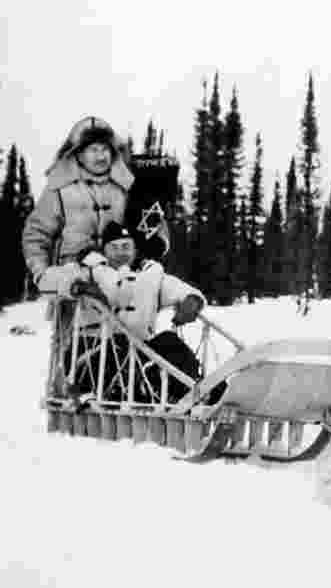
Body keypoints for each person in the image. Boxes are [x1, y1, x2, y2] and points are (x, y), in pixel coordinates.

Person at [79, 221, 206, 402]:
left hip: (139, 349)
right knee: (124, 352)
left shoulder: (149, 274)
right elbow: (53, 280)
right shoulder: (89, 271)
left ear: (135, 249)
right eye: (114, 247)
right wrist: (75, 286)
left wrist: (192, 300)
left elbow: (177, 288)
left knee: (170, 343)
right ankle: (161, 391)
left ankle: (200, 390)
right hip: (97, 353)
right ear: (104, 251)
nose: (121, 253)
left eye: (126, 246)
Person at [23, 116, 134, 296]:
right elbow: (37, 234)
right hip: (72, 284)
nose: (101, 156)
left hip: (118, 281)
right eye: (93, 149)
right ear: (78, 154)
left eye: (105, 149)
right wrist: (42, 273)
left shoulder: (125, 187)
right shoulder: (59, 188)